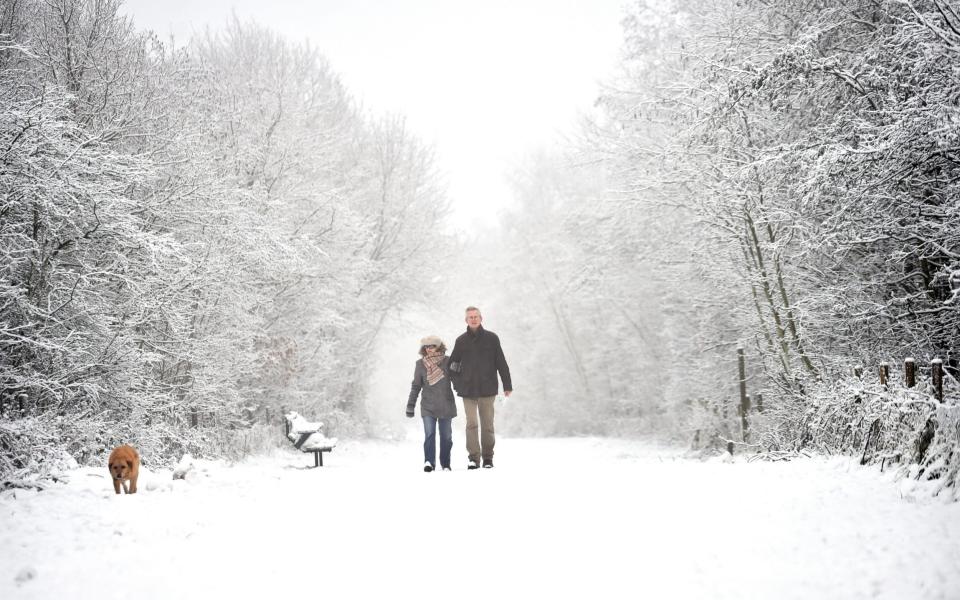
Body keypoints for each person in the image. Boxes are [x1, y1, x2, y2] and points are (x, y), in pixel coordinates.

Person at [448, 306, 512, 469]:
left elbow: (501, 362)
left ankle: (488, 458)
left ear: (481, 318)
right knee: (471, 424)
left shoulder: (492, 338)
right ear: (466, 320)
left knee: (488, 424)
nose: (474, 319)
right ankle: (473, 458)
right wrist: (458, 383)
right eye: (470, 317)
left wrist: (507, 385)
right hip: (467, 390)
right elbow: (452, 365)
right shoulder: (461, 341)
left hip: (487, 388)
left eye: (476, 316)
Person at [406, 335, 457, 472]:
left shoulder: (448, 361)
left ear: (439, 346)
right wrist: (411, 405)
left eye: (432, 346)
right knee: (429, 435)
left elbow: (458, 380)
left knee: (446, 437)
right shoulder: (420, 364)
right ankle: (429, 462)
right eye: (426, 347)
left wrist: (459, 371)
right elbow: (416, 386)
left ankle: (445, 464)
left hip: (446, 405)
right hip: (428, 406)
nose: (429, 349)